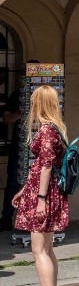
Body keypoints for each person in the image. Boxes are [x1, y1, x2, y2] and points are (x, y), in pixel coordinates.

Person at [11, 85, 70, 286]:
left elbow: (45, 166)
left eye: (34, 100)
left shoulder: (46, 130)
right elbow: (41, 166)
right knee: (47, 250)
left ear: (41, 103)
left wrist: (40, 200)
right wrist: (25, 189)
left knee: (39, 250)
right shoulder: (56, 128)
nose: (31, 104)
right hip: (45, 192)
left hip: (44, 195)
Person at [1, 88, 22, 231]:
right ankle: (7, 218)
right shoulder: (18, 94)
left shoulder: (47, 94)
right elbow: (6, 117)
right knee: (13, 183)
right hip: (20, 146)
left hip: (41, 146)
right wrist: (20, 114)